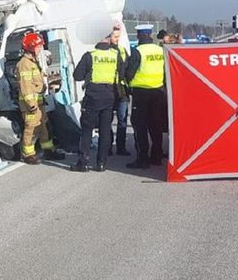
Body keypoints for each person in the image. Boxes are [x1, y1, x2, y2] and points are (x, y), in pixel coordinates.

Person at [71, 30, 125, 172]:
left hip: (92, 96)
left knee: (87, 130)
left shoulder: (90, 55)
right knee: (105, 130)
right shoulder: (115, 55)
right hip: (109, 97)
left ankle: (83, 162)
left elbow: (77, 76)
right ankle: (101, 163)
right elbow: (123, 73)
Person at [16, 31, 65, 164]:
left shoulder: (32, 61)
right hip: (30, 105)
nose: (39, 49)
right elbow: (25, 87)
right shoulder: (24, 64)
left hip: (38, 102)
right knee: (31, 128)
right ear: (31, 48)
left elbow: (35, 83)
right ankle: (27, 154)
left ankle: (47, 149)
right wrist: (31, 104)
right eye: (38, 47)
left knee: (43, 126)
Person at [126, 24, 168, 168]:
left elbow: (129, 73)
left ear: (138, 36)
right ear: (150, 35)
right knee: (156, 125)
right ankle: (157, 155)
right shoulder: (160, 50)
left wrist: (128, 83)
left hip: (141, 93)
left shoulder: (137, 51)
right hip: (158, 92)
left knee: (140, 125)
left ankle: (142, 158)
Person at [109, 22, 131, 156]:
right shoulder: (106, 51)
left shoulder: (123, 51)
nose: (117, 39)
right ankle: (108, 146)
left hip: (122, 91)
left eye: (118, 36)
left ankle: (121, 147)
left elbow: (128, 67)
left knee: (122, 120)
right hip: (110, 90)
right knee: (107, 120)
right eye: (114, 36)